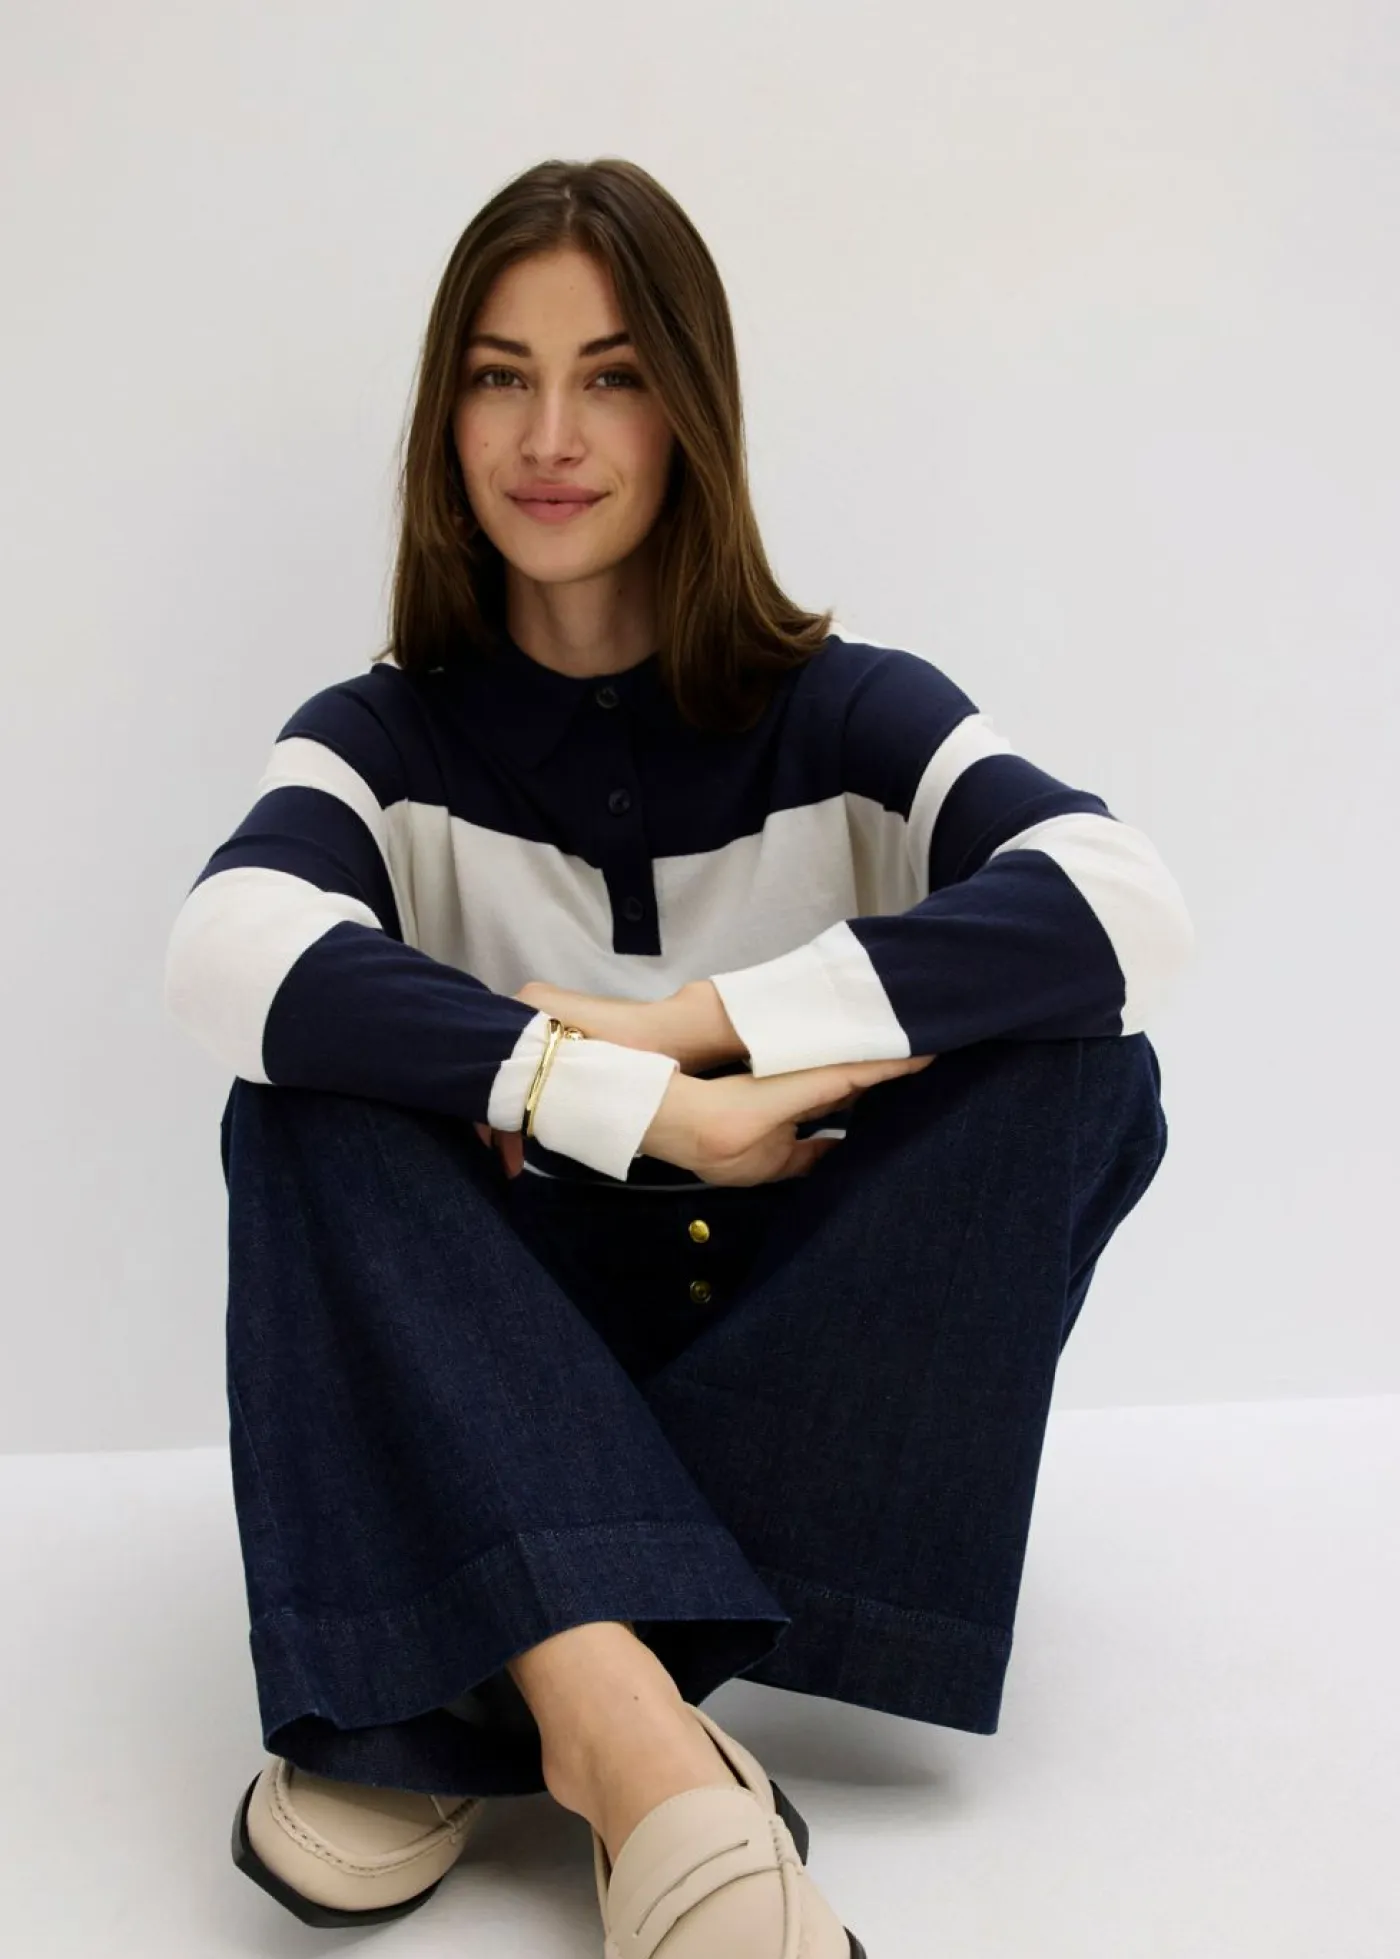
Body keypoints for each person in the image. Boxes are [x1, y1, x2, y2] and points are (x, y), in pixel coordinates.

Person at [163, 156, 1193, 1956]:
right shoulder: (381, 739)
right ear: (446, 420)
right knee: (302, 1099)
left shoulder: (850, 708)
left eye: (613, 374)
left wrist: (686, 1025)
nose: (551, 435)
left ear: (691, 409)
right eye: (500, 375)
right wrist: (638, 1108)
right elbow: (225, 947)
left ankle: (450, 1670)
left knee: (1088, 1073)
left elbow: (1125, 904)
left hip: (789, 1367)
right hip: (495, 1346)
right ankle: (631, 1745)